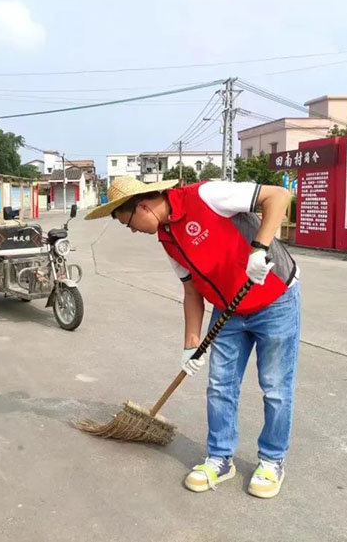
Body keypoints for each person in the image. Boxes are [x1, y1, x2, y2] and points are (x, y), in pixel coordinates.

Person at [85, 176, 299, 499]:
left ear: (143, 207)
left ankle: (271, 461)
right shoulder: (167, 238)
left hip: (276, 298)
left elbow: (279, 197)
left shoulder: (207, 195)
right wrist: (191, 344)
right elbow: (191, 292)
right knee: (220, 386)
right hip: (229, 307)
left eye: (128, 222)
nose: (131, 231)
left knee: (274, 388)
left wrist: (260, 249)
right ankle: (220, 458)